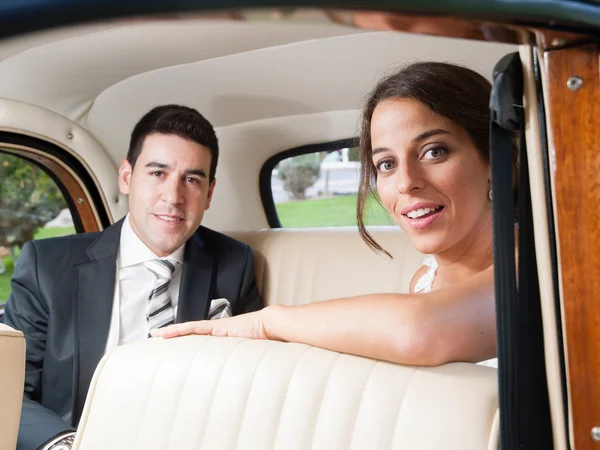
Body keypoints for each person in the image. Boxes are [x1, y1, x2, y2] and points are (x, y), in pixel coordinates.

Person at [153, 63, 518, 368]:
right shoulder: (425, 281)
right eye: (386, 164)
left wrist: (269, 322)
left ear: (494, 161)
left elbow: (419, 328)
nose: (406, 183)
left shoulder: (537, 266)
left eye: (434, 151)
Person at [2, 105, 262, 450]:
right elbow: (10, 390)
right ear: (126, 177)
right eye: (157, 173)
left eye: (191, 179)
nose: (173, 198)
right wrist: (67, 445)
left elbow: (252, 380)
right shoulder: (46, 265)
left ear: (209, 194)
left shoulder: (234, 263)